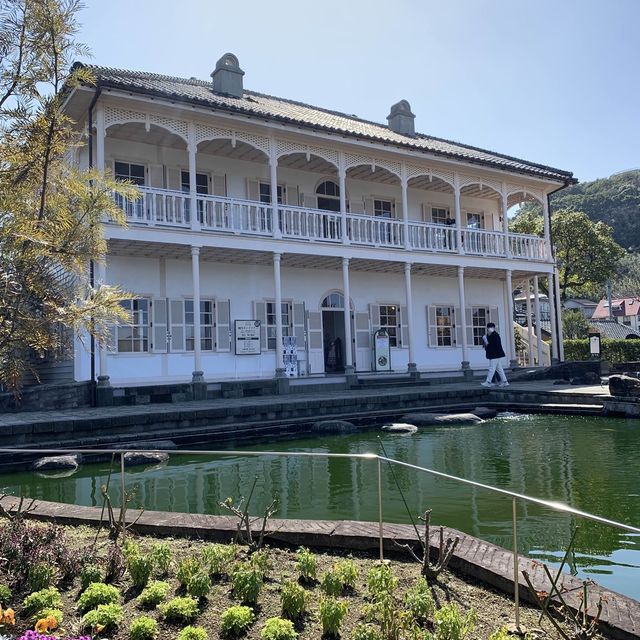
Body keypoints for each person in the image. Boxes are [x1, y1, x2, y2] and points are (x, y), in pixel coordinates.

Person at [481, 322, 509, 387]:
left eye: (491, 327)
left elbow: (493, 345)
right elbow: (490, 344)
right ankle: (505, 381)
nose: (489, 329)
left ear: (493, 328)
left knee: (492, 368)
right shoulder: (491, 335)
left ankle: (488, 382)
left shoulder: (494, 335)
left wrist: (486, 341)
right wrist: (486, 340)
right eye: (488, 327)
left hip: (495, 354)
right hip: (496, 354)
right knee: (499, 369)